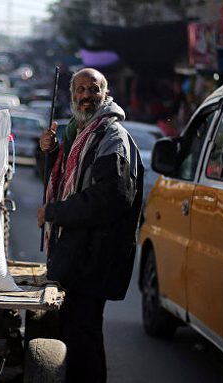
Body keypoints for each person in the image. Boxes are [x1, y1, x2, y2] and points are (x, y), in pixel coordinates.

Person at [36, 68, 144, 383]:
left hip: (92, 260)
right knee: (73, 337)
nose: (86, 96)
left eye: (92, 89)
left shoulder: (111, 136)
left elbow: (110, 198)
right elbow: (73, 180)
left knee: (83, 342)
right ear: (72, 96)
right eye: (80, 90)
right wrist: (52, 152)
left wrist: (55, 212)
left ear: (104, 94)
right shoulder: (80, 133)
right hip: (75, 256)